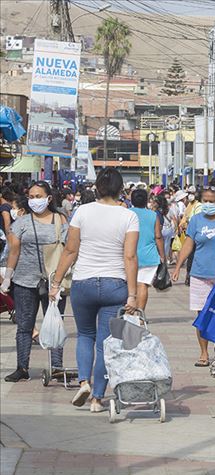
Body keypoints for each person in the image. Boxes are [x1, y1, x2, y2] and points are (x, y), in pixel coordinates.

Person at [50, 168, 139, 413]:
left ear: (97, 187)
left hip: (83, 283)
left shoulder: (82, 211)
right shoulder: (128, 216)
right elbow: (130, 257)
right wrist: (133, 294)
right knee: (106, 343)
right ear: (121, 189)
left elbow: (70, 250)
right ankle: (98, 398)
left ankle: (83, 382)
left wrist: (56, 283)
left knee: (85, 335)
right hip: (115, 285)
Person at [2, 182, 68, 383]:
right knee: (24, 325)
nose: (34, 200)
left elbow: (69, 249)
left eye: (38, 196)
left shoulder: (60, 219)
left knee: (55, 323)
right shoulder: (22, 222)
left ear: (49, 198)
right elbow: (14, 251)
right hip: (24, 280)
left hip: (53, 281)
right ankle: (22, 367)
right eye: (31, 196)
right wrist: (8, 277)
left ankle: (56, 367)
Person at [172, 187, 215, 367]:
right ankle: (204, 353)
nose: (208, 204)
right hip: (200, 273)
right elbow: (188, 244)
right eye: (205, 201)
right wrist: (178, 267)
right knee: (202, 315)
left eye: (212, 201)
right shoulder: (196, 220)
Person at [128, 189, 165, 310]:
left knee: (129, 285)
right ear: (146, 201)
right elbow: (158, 236)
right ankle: (140, 314)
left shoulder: (126, 214)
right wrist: (162, 256)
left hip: (128, 254)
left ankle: (129, 311)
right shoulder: (153, 215)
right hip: (148, 256)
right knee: (142, 285)